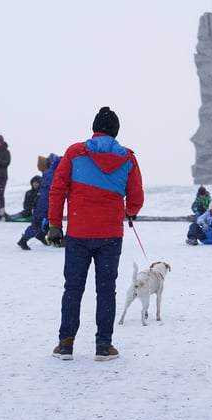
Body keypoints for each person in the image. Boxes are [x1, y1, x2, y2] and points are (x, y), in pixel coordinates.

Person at [47, 106, 144, 361]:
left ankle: (65, 344)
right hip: (110, 235)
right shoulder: (128, 159)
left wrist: (55, 224)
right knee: (106, 289)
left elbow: (57, 189)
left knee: (73, 288)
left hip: (78, 232)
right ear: (116, 131)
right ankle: (104, 346)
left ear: (94, 129)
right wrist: (129, 212)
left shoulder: (75, 152)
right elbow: (136, 197)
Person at [18, 154, 61, 250]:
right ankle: (23, 240)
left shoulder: (49, 172)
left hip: (45, 203)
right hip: (43, 204)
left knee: (47, 223)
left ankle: (40, 234)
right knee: (37, 224)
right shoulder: (51, 173)